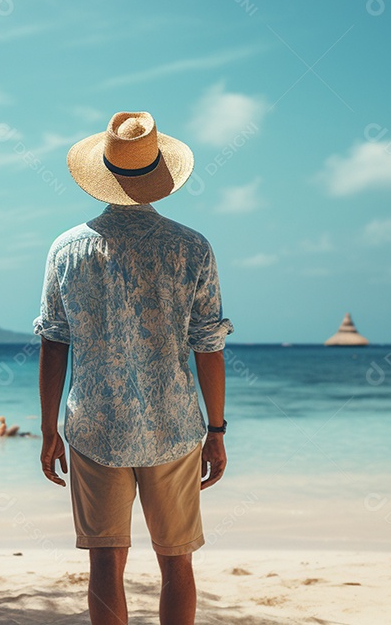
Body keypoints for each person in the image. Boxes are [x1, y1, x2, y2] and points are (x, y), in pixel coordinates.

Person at [35, 111, 232, 625]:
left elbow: (54, 343)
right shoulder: (191, 247)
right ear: (158, 175)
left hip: (94, 426)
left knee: (105, 563)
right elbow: (208, 346)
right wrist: (217, 430)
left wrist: (46, 428)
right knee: (177, 563)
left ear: (104, 173)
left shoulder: (66, 250)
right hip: (175, 426)